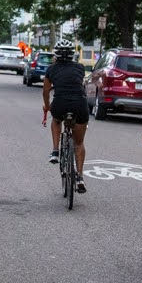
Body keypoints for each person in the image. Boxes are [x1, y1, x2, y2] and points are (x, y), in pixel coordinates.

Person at [41, 39, 88, 193]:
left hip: (60, 104)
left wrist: (47, 106)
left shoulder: (51, 69)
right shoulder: (80, 68)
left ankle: (55, 151)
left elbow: (46, 91)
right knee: (79, 143)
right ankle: (80, 177)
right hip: (79, 105)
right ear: (72, 54)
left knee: (56, 120)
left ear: (56, 54)